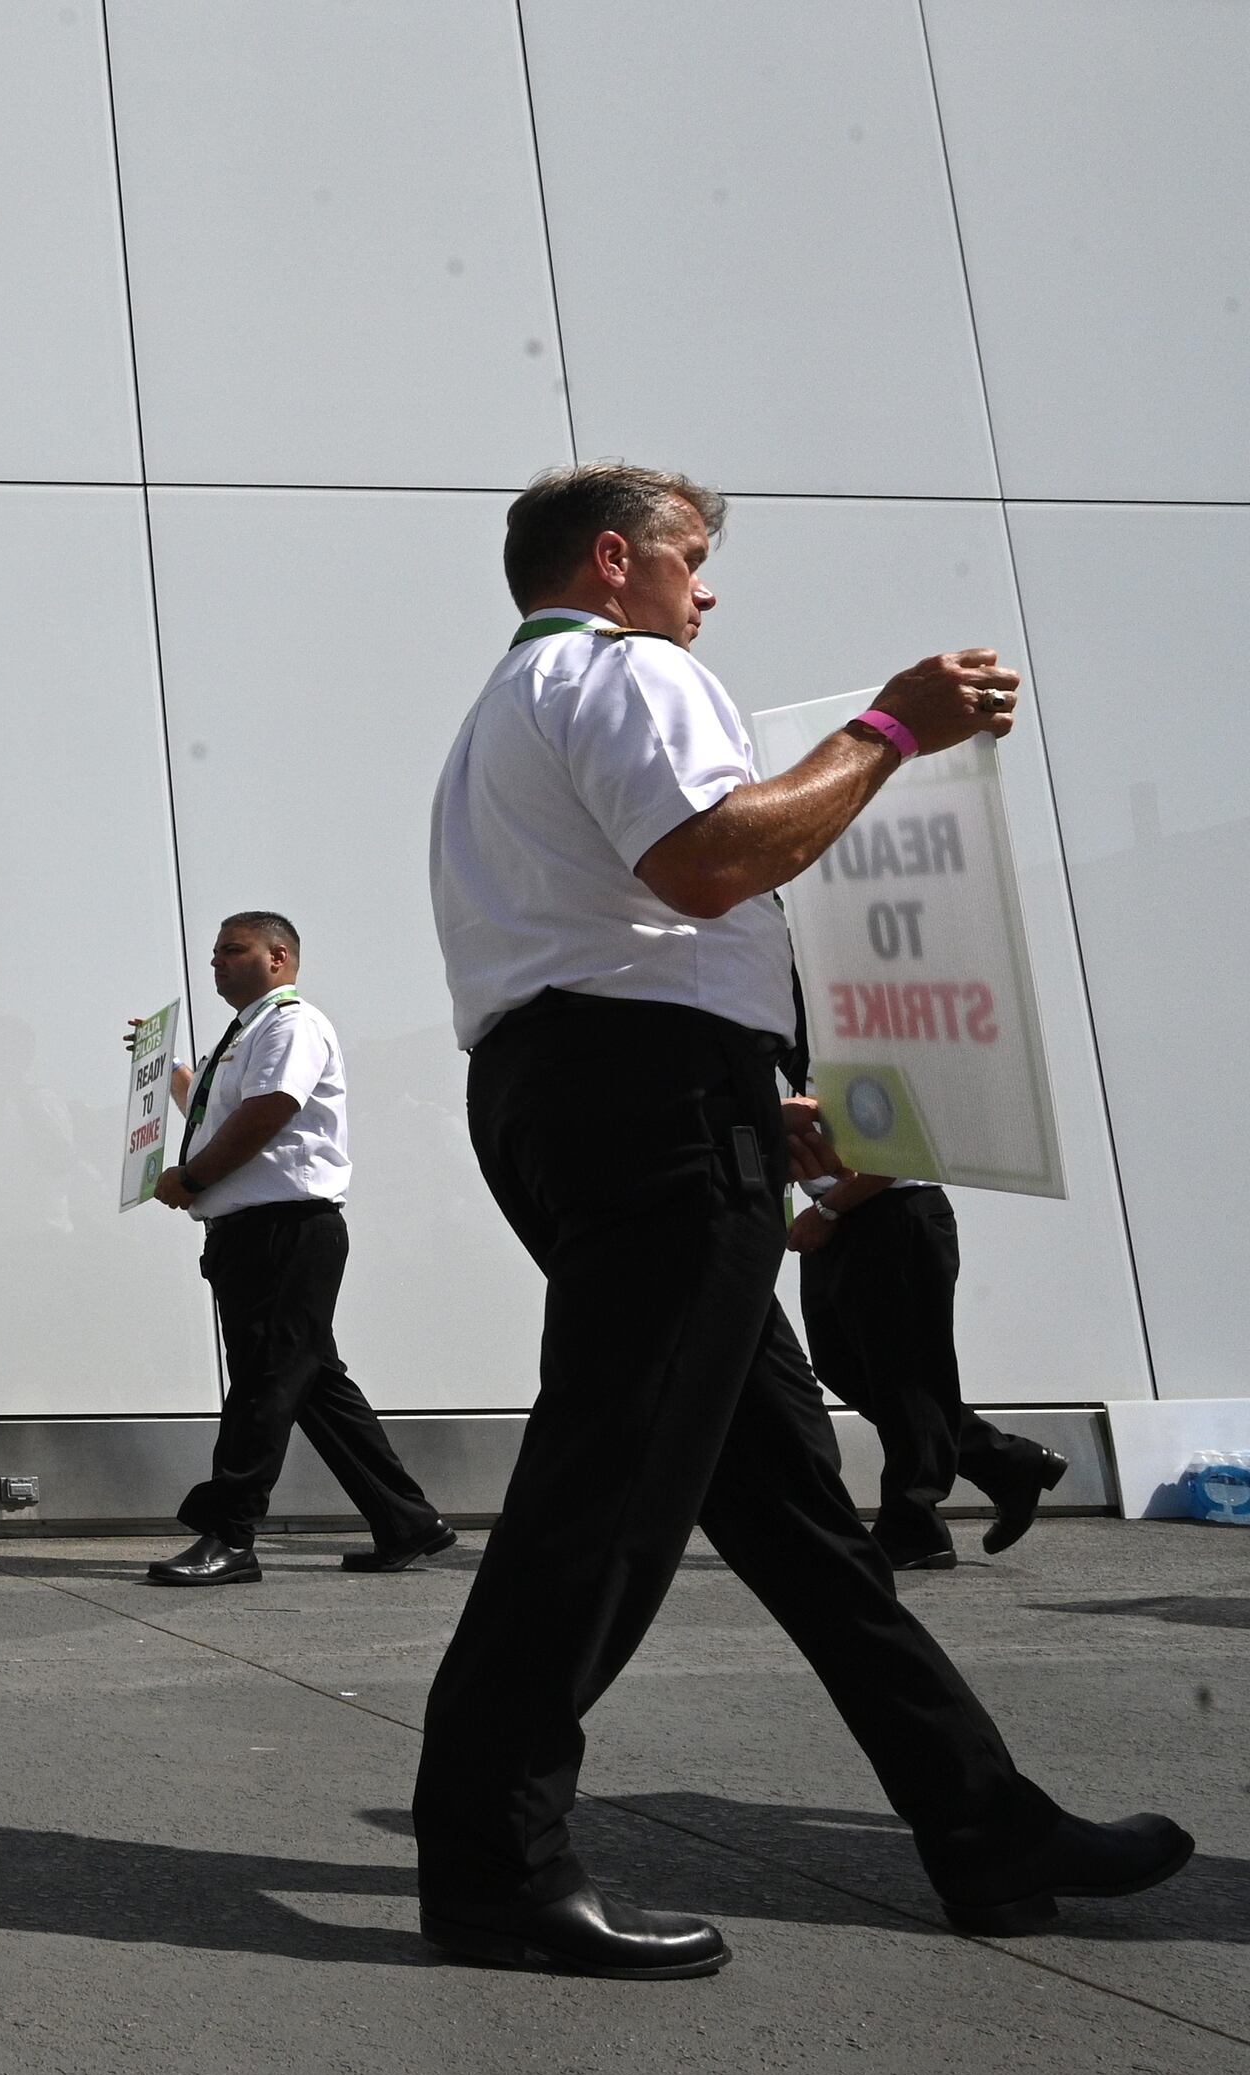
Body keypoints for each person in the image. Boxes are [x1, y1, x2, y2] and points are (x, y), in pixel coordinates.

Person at [415, 461, 1186, 1978]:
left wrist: (748, 1094)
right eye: (695, 558)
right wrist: (890, 725)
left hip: (592, 1094)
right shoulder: (634, 669)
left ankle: (982, 1819)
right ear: (617, 558)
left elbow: (594, 942)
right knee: (611, 1490)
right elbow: (712, 861)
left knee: (796, 1519)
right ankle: (494, 1857)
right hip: (648, 1116)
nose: (710, 592)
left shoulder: (505, 713)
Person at [135, 912, 456, 1586]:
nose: (217, 962)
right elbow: (223, 1111)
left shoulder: (289, 1023)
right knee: (309, 1383)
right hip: (258, 1234)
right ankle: (406, 1519)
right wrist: (166, 1074)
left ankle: (230, 1533)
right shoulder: (251, 1032)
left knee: (264, 1382)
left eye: (233, 949)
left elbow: (268, 1112)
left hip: (284, 1231)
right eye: (215, 952)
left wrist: (192, 1177)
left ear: (278, 957)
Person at [791, 1167, 1066, 1569]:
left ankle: (913, 1523)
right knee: (844, 1368)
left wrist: (828, 1211)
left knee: (907, 1377)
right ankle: (1005, 1464)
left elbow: (894, 1152)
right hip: (836, 1215)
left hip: (889, 1208)